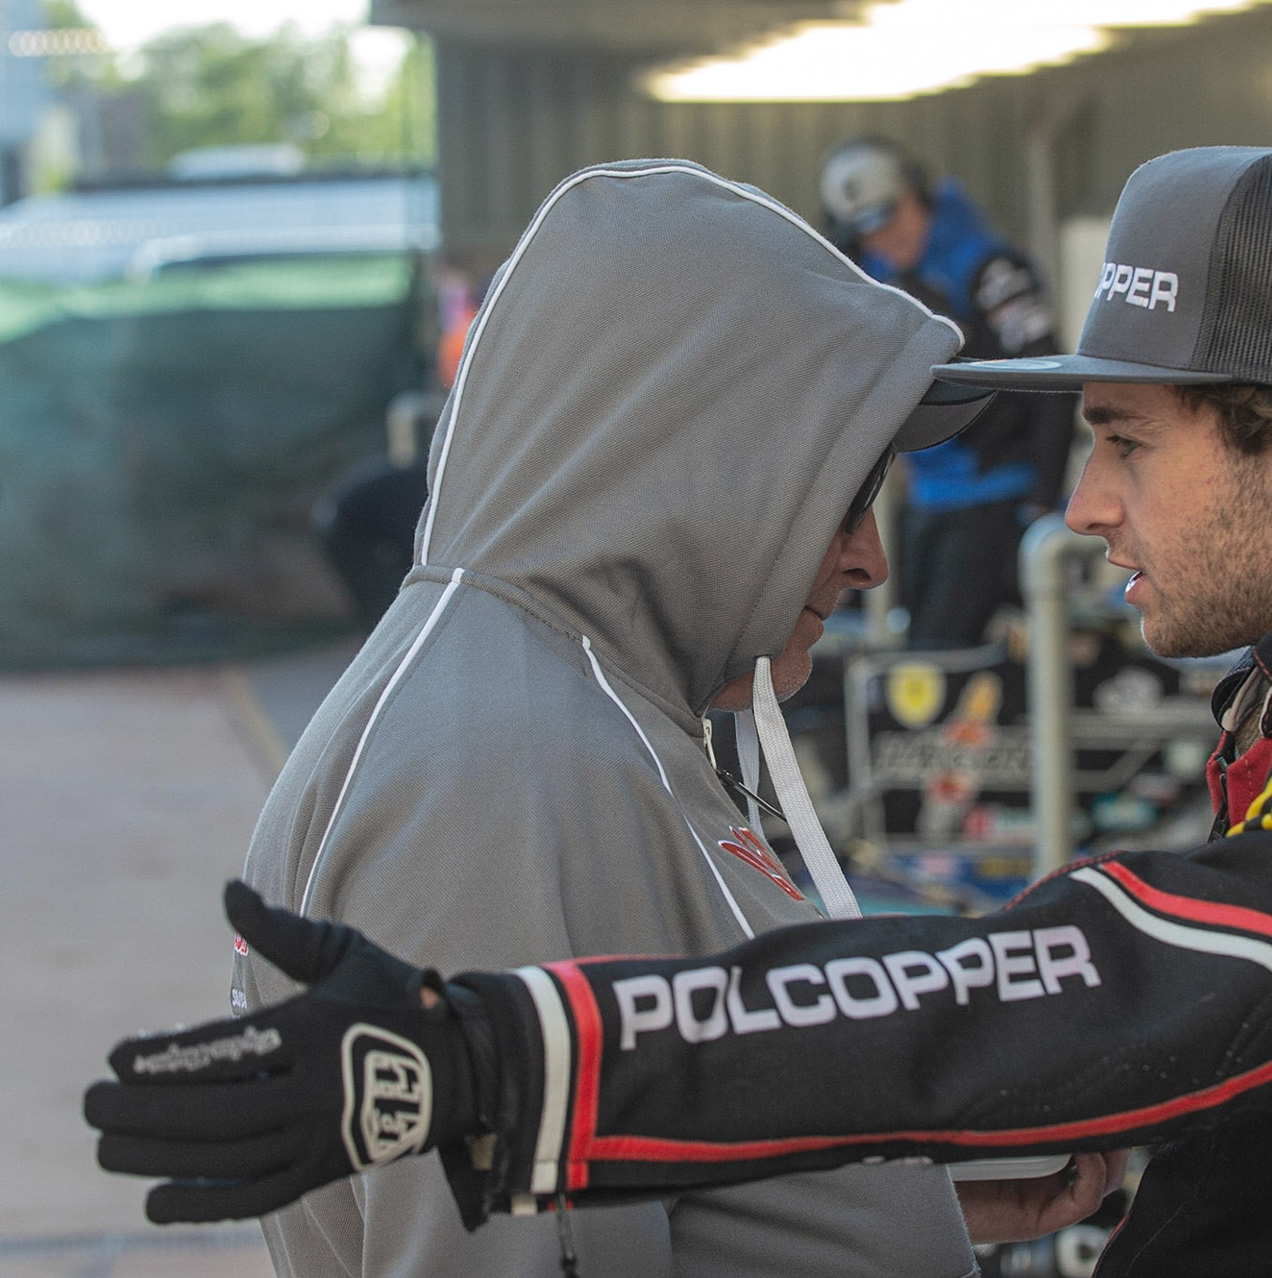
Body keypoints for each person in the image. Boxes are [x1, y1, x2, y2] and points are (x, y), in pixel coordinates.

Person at [92, 144, 1272, 1274]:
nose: (1084, 506)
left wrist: (518, 1058)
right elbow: (1265, 1132)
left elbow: (1112, 975)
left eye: (1125, 441)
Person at [202, 159, 1007, 1278]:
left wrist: (888, 1190)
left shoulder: (557, 707)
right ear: (699, 461)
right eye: (841, 493)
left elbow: (661, 1136)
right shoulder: (503, 785)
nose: (869, 556)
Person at [820, 137, 1078, 648]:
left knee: (942, 657)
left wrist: (1043, 500)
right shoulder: (876, 275)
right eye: (864, 229)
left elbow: (1052, 379)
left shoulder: (987, 267)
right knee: (912, 649)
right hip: (927, 501)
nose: (882, 237)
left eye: (890, 217)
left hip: (999, 498)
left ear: (917, 195)